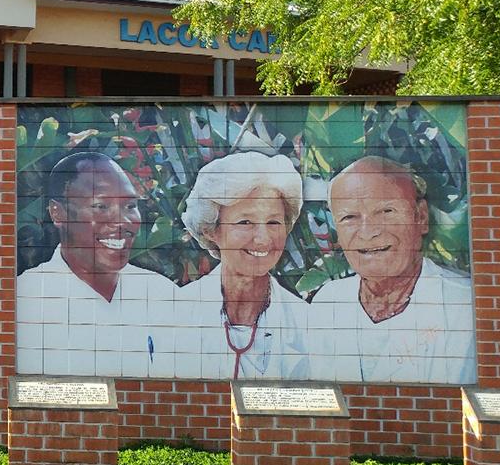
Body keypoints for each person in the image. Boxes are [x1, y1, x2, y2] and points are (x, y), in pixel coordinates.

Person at [17, 152, 176, 378]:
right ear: (58, 212)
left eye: (130, 205)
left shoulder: (160, 293)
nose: (123, 221)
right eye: (101, 206)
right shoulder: (28, 295)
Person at [318, 156, 475, 384]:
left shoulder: (464, 306)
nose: (368, 232)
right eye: (349, 217)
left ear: (420, 217)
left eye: (386, 211)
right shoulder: (327, 303)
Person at [179, 151, 310, 380]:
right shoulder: (175, 314)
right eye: (245, 222)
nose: (262, 238)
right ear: (211, 230)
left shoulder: (307, 322)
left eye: (273, 222)